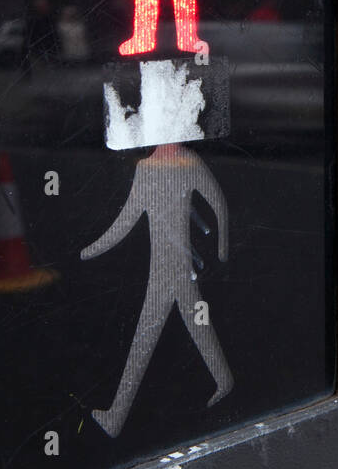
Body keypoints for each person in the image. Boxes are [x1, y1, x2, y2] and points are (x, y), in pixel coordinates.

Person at [81, 143, 233, 438]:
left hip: (169, 272)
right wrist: (92, 250)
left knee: (145, 338)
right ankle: (223, 380)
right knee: (189, 327)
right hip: (164, 270)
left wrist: (223, 247)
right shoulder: (147, 170)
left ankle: (116, 416)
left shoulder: (188, 161)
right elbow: (125, 221)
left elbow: (218, 203)